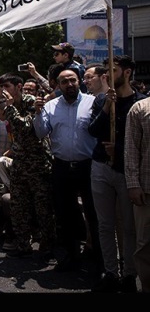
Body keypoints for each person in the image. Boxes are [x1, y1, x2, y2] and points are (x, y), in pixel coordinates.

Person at [34, 66, 101, 275]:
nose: (69, 84)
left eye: (72, 80)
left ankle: (99, 258)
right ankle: (72, 256)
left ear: (79, 80)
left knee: (93, 213)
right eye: (64, 82)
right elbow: (40, 132)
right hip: (61, 167)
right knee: (66, 214)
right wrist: (37, 113)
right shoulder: (50, 106)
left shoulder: (94, 102)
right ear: (58, 85)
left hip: (88, 166)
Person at [89, 55, 145, 292]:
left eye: (114, 70)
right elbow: (93, 130)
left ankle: (130, 274)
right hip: (101, 167)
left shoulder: (141, 102)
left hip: (127, 172)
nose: (108, 75)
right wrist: (107, 107)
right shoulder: (102, 99)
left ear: (128, 72)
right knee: (105, 224)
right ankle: (110, 271)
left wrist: (119, 150)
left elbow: (143, 143)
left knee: (129, 227)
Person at [0, 72, 56, 259]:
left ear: (19, 87)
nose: (4, 91)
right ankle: (23, 244)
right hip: (20, 163)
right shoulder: (9, 106)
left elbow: (26, 128)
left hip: (38, 163)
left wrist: (11, 108)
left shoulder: (31, 102)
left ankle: (47, 246)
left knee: (43, 208)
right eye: (2, 88)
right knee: (18, 206)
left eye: (7, 87)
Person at [124, 96, 150, 293]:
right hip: (146, 189)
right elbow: (131, 150)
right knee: (145, 246)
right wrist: (133, 184)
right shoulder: (140, 108)